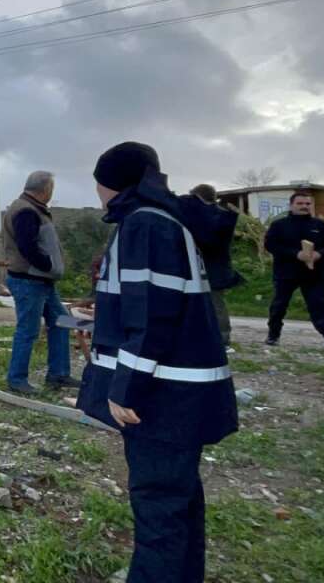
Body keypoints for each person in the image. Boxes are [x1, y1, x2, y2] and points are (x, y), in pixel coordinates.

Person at [78, 142, 237, 583]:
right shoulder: (163, 220)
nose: (96, 190)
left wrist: (124, 388)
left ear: (111, 183)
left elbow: (151, 317)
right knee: (179, 501)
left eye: (98, 180)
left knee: (159, 507)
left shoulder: (144, 225)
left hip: (164, 397)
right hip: (181, 393)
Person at [2, 170, 76, 394]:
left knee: (61, 322)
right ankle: (17, 379)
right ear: (46, 189)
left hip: (41, 281)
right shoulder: (26, 211)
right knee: (28, 330)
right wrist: (47, 265)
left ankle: (58, 375)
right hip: (30, 280)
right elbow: (28, 247)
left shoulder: (31, 208)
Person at [264, 191, 324, 351]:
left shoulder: (320, 225)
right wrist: (296, 254)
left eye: (308, 204)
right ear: (291, 205)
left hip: (314, 274)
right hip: (286, 273)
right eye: (300, 204)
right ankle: (273, 335)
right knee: (278, 306)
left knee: (319, 307)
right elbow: (271, 246)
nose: (304, 207)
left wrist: (319, 254)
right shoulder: (279, 225)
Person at [180, 184, 242, 346]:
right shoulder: (223, 215)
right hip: (218, 269)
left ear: (196, 196)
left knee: (209, 305)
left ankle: (217, 339)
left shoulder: (200, 213)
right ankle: (222, 340)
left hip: (201, 267)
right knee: (216, 305)